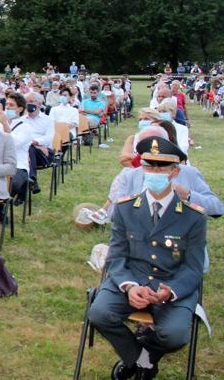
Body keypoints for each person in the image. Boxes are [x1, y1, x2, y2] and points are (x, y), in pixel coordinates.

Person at [87, 136, 206, 380]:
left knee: (175, 336)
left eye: (162, 167)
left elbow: (193, 267)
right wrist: (129, 287)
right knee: (98, 314)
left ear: (175, 171)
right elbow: (117, 257)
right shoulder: (125, 208)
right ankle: (142, 360)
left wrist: (170, 291)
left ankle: (147, 350)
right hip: (132, 279)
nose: (154, 171)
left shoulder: (193, 217)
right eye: (149, 165)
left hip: (170, 284)